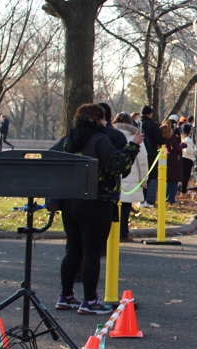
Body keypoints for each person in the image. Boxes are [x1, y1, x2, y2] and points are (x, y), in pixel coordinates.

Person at [51, 103, 142, 314]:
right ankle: (90, 300)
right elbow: (117, 166)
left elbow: (51, 156)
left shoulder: (69, 139)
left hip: (70, 200)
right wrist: (133, 146)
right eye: (103, 119)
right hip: (97, 200)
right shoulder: (100, 139)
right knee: (92, 252)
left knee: (73, 250)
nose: (105, 122)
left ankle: (66, 296)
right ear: (97, 120)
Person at [113, 112, 149, 242]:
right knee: (125, 207)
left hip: (114, 175)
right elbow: (142, 160)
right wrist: (144, 178)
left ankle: (113, 232)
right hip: (130, 175)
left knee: (113, 206)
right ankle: (123, 233)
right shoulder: (135, 137)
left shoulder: (110, 135)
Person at [139, 105, 163, 205]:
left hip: (138, 152)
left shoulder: (138, 124)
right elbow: (159, 139)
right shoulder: (152, 125)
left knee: (139, 176)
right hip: (151, 153)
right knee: (149, 176)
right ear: (150, 114)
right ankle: (147, 199)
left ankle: (139, 199)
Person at [160, 122, 183, 204]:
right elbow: (174, 148)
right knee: (173, 181)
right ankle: (171, 199)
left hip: (165, 159)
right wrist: (182, 145)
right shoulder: (171, 137)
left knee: (167, 180)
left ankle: (166, 197)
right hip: (174, 160)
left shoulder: (161, 138)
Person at [179, 124, 196, 194]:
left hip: (184, 158)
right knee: (186, 176)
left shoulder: (182, 138)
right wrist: (195, 149)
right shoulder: (187, 139)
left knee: (184, 175)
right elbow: (187, 150)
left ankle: (182, 189)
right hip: (187, 158)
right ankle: (183, 191)